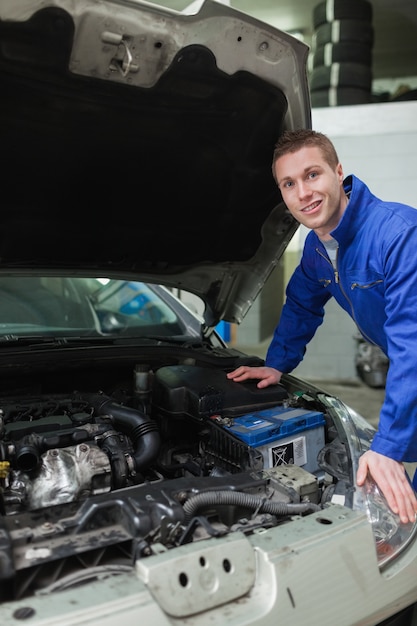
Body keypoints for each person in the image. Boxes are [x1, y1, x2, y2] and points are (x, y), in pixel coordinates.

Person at [227, 128, 417, 524]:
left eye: (312, 175)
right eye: (289, 183)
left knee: (399, 503)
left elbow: (412, 347)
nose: (303, 193)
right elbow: (301, 305)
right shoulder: (317, 248)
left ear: (338, 171)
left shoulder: (398, 234)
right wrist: (277, 364)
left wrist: (389, 445)